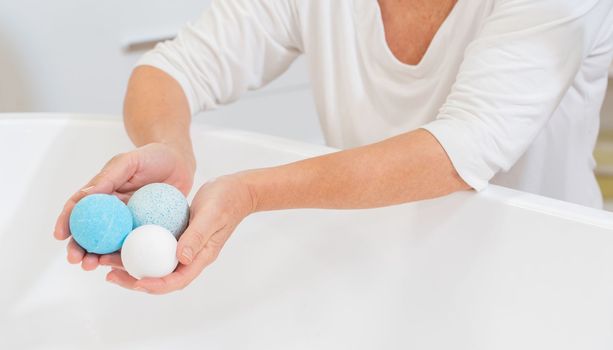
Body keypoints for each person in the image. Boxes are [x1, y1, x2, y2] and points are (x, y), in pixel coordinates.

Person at [53, 0, 613, 294]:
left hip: (544, 266)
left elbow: (461, 147)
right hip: (378, 261)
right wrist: (167, 145)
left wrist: (249, 193)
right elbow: (171, 69)